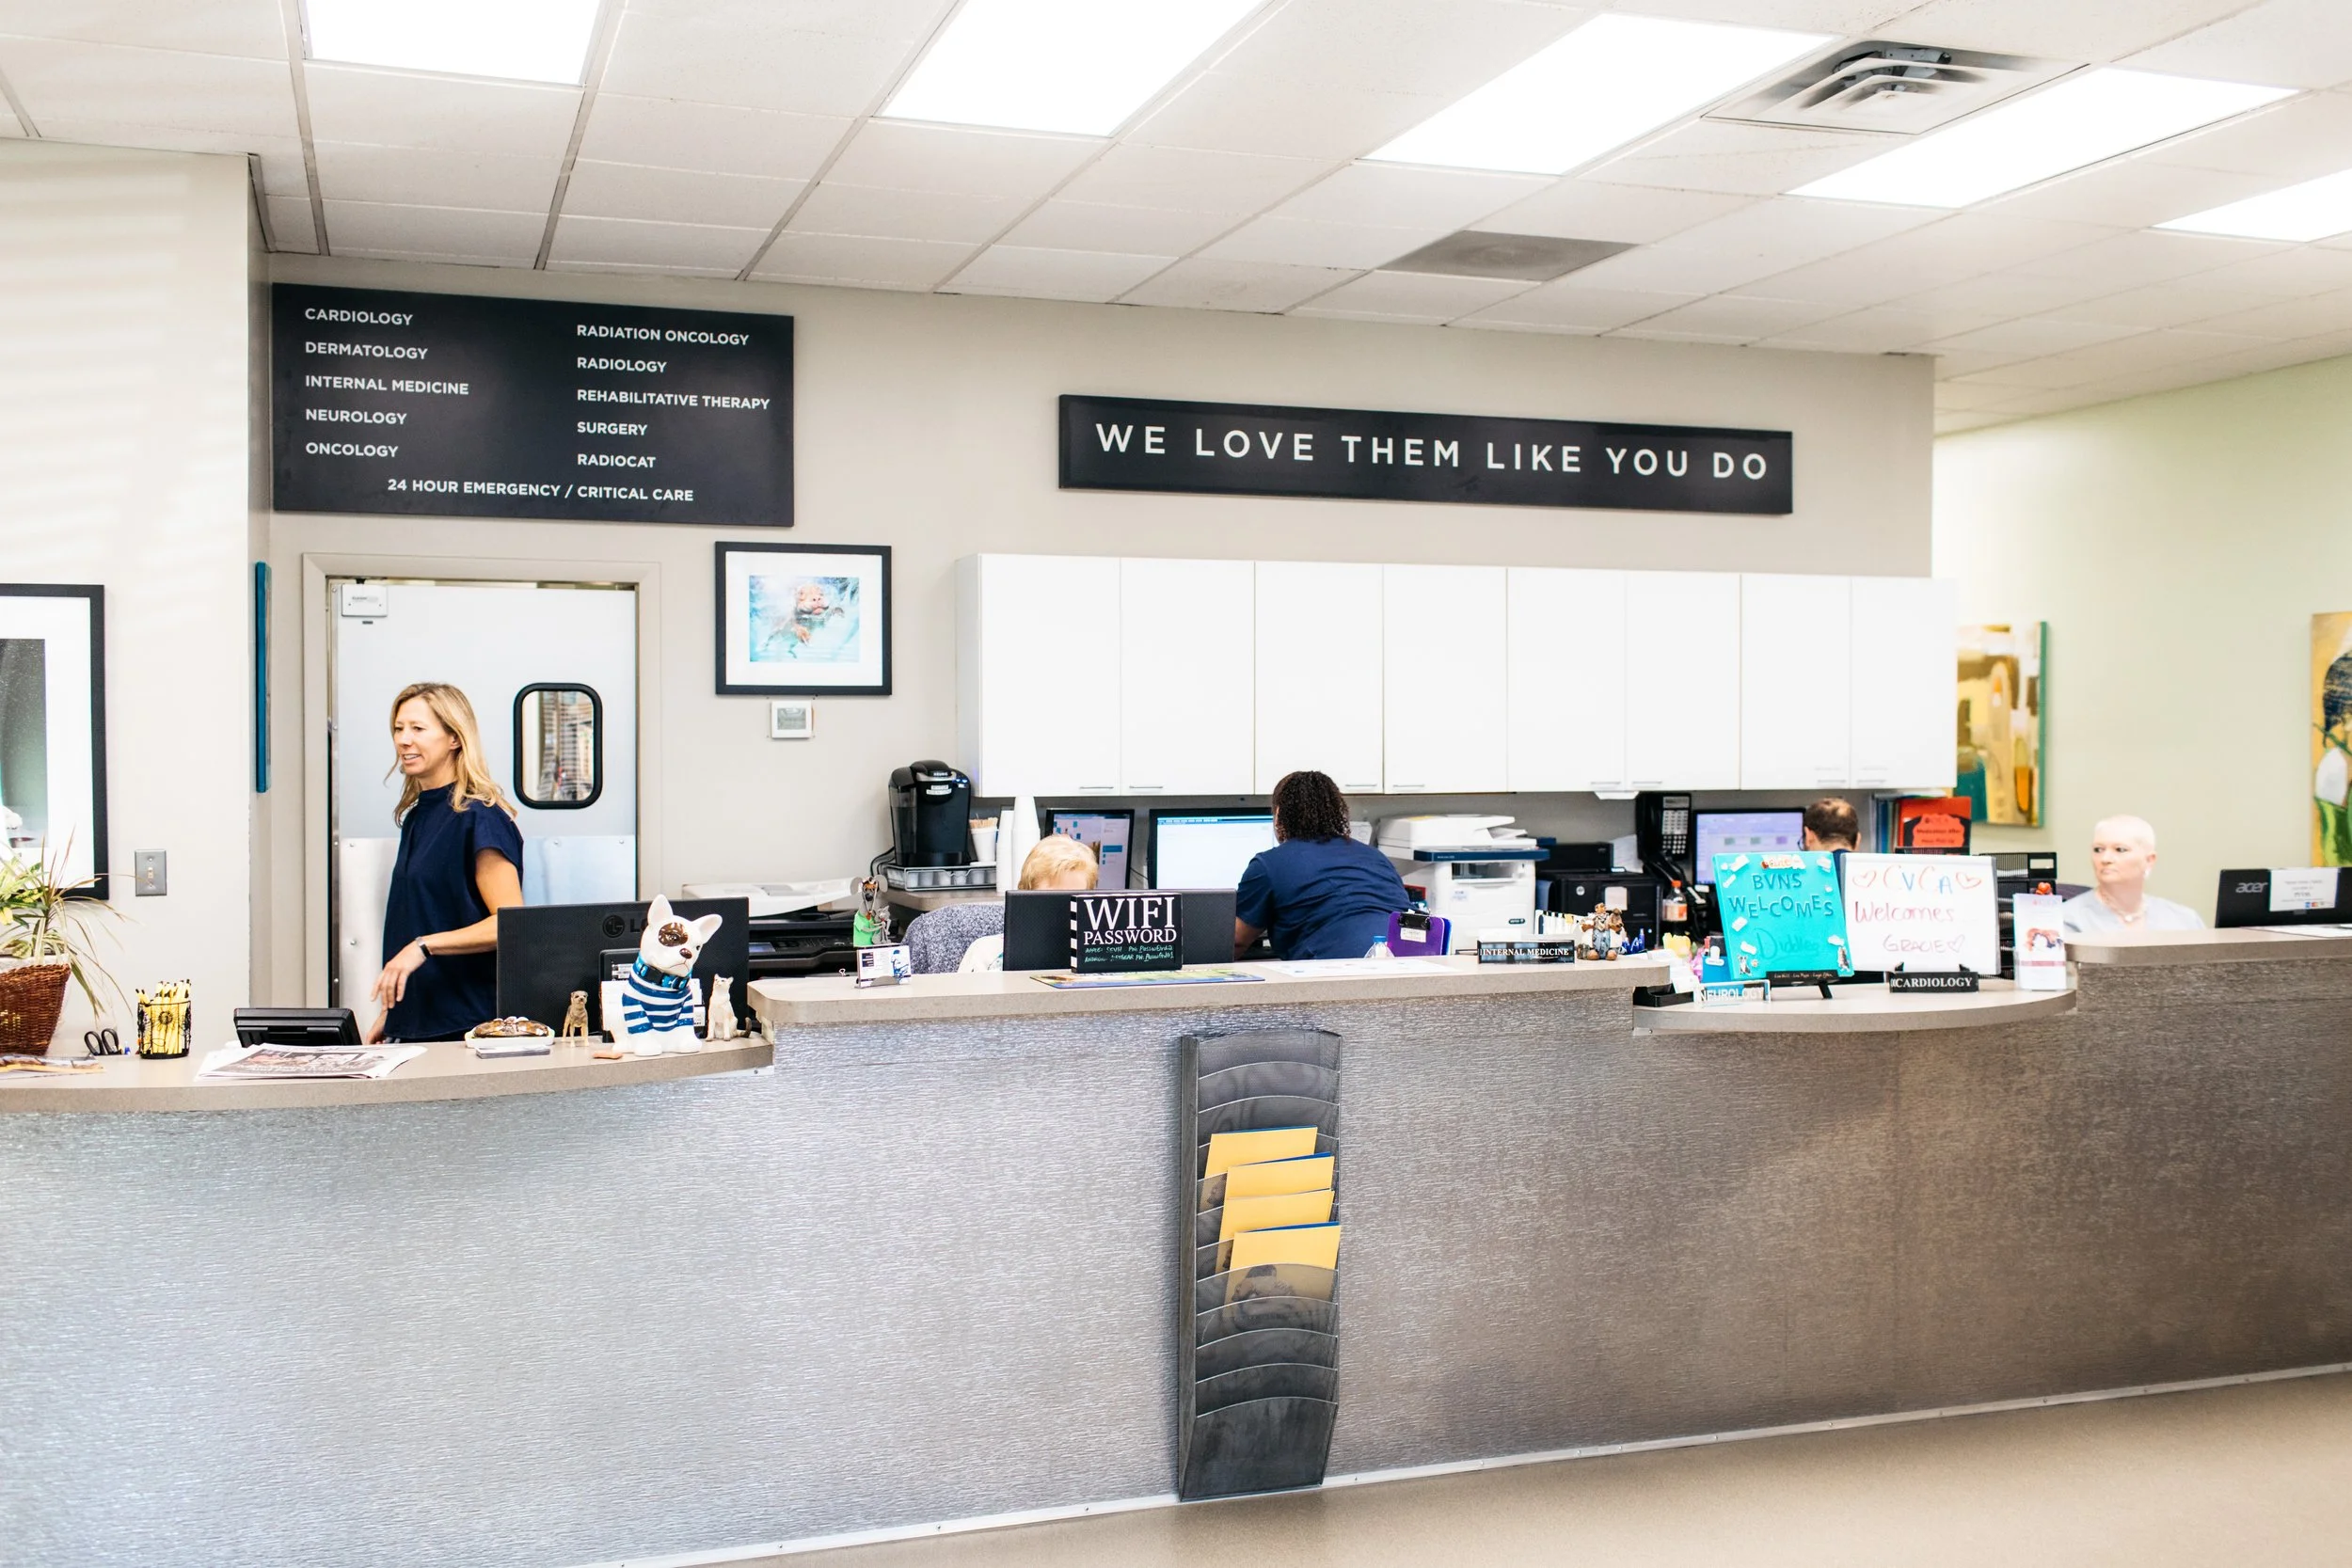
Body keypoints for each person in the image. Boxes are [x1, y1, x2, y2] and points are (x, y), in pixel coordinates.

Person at [367, 683, 526, 1042]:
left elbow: (509, 924)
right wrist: (392, 1015)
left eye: (418, 729)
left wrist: (423, 946)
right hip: (418, 1022)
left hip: (465, 1026)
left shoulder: (479, 817)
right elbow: (419, 915)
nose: (404, 740)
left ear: (454, 738)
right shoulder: (417, 817)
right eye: (398, 728)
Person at [1234, 770, 1409, 961]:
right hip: (1409, 965)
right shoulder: (1376, 857)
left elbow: (1236, 941)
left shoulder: (1269, 864)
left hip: (1332, 972)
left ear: (1278, 815)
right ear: (1337, 811)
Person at [906, 834, 1098, 974]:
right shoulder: (987, 955)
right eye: (1051, 904)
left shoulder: (1096, 957)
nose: (1061, 916)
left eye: (1075, 903)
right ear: (1025, 896)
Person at [2061, 815, 2203, 935]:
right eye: (2098, 850)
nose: (2105, 859)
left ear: (2149, 860)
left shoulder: (2184, 920)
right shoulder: (2066, 920)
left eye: (2120, 850)